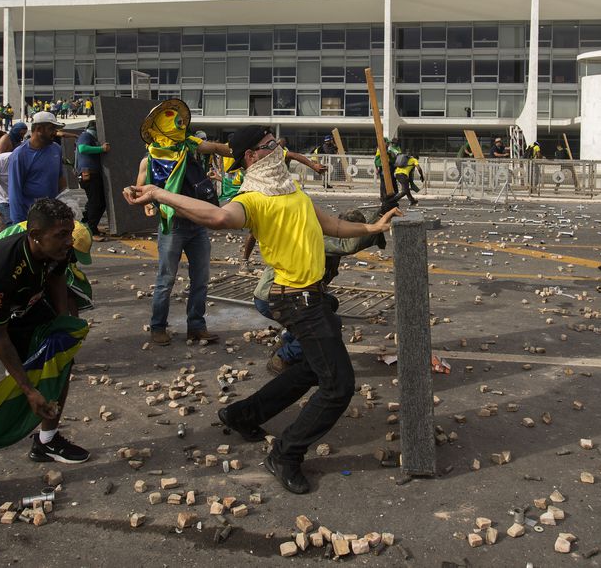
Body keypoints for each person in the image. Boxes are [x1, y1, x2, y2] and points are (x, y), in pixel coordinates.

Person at [123, 125, 399, 495]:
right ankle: (285, 454)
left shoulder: (292, 191)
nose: (278, 149)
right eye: (269, 146)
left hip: (312, 297)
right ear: (251, 157)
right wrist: (158, 192)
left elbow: (331, 224)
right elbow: (217, 217)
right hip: (295, 299)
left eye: (276, 143)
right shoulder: (252, 199)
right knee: (339, 386)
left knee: (310, 369)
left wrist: (372, 225)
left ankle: (242, 415)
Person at [0, 198, 90, 512]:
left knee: (60, 358)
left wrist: (61, 324)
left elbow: (55, 278)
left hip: (27, 307)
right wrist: (28, 390)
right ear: (35, 235)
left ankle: (47, 440)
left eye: (70, 233)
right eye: (62, 235)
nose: (69, 241)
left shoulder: (58, 251)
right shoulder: (0, 266)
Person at [137, 99, 231, 346]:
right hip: (173, 226)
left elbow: (216, 148)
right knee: (165, 279)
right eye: (170, 120)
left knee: (200, 278)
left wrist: (246, 150)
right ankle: (158, 327)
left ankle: (196, 327)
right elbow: (141, 189)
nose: (178, 124)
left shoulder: (190, 147)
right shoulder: (149, 160)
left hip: (198, 225)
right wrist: (148, 203)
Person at [250, 208, 386, 374]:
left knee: (329, 304)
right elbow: (349, 245)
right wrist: (377, 220)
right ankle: (283, 358)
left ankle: (288, 340)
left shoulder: (331, 243)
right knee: (328, 325)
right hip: (273, 296)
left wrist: (381, 212)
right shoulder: (322, 237)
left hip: (290, 294)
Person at [8, 112, 66, 225]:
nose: (55, 132)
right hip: (30, 217)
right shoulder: (20, 155)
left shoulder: (56, 149)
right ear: (39, 129)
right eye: (51, 128)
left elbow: (60, 179)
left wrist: (65, 201)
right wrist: (19, 224)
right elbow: (15, 192)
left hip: (52, 215)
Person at [75, 121, 110, 236]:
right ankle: (90, 229)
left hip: (92, 174)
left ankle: (88, 225)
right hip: (89, 174)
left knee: (97, 202)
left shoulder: (90, 137)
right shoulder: (86, 135)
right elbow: (82, 149)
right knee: (97, 202)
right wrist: (101, 149)